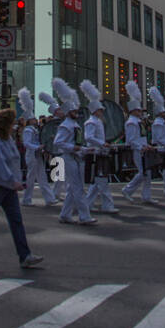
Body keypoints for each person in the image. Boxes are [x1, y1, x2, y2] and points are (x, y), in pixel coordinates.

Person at [0, 108, 45, 268]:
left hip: (7, 186)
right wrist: (13, 181)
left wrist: (14, 181)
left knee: (15, 220)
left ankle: (25, 255)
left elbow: (11, 162)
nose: (14, 126)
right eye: (12, 123)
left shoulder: (6, 139)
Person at [53, 78, 96, 225]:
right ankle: (84, 216)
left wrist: (84, 149)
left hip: (76, 157)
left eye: (76, 110)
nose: (76, 112)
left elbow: (76, 143)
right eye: (73, 111)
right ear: (68, 112)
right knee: (78, 188)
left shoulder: (75, 124)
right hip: (69, 158)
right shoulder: (65, 125)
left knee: (73, 188)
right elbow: (58, 142)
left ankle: (65, 215)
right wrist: (75, 148)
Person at [81, 79, 117, 215]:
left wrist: (104, 144)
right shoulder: (91, 122)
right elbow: (88, 137)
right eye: (100, 110)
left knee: (97, 182)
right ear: (95, 111)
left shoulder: (98, 122)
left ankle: (88, 204)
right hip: (94, 153)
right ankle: (107, 205)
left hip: (100, 152)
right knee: (102, 181)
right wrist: (102, 144)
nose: (102, 111)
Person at [19, 87, 57, 206]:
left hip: (37, 155)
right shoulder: (28, 130)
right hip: (32, 155)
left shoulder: (35, 129)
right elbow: (26, 143)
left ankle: (49, 198)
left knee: (42, 177)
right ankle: (27, 199)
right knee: (32, 178)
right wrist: (38, 147)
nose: (35, 120)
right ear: (29, 121)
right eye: (33, 119)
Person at [122, 81, 152, 204]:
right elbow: (131, 139)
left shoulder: (138, 122)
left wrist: (146, 145)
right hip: (138, 151)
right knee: (143, 172)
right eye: (138, 110)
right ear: (133, 111)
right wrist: (140, 147)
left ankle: (146, 196)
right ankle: (127, 190)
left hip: (143, 149)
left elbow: (141, 137)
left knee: (147, 173)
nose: (141, 112)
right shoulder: (131, 122)